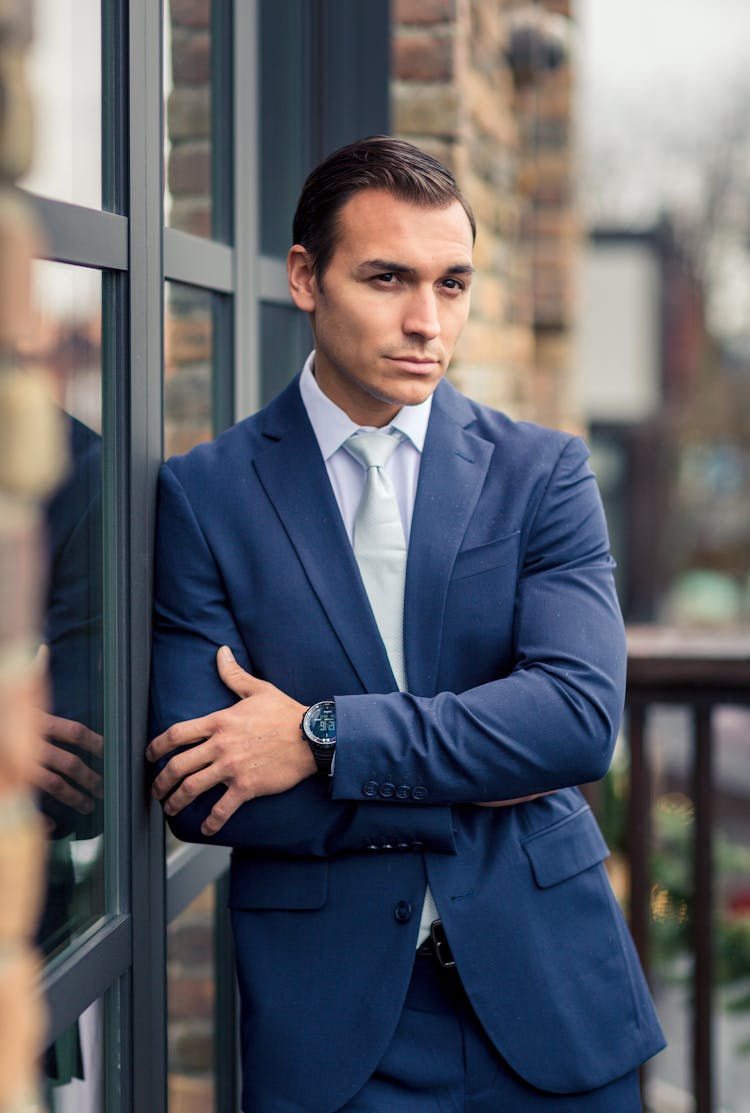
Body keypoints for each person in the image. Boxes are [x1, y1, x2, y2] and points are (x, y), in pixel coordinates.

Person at [148, 136, 665, 1112]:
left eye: (453, 284)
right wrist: (488, 766)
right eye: (387, 279)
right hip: (336, 1033)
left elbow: (574, 725)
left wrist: (319, 736)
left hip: (551, 1003)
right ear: (307, 278)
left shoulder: (541, 474)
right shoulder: (206, 496)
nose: (428, 321)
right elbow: (205, 788)